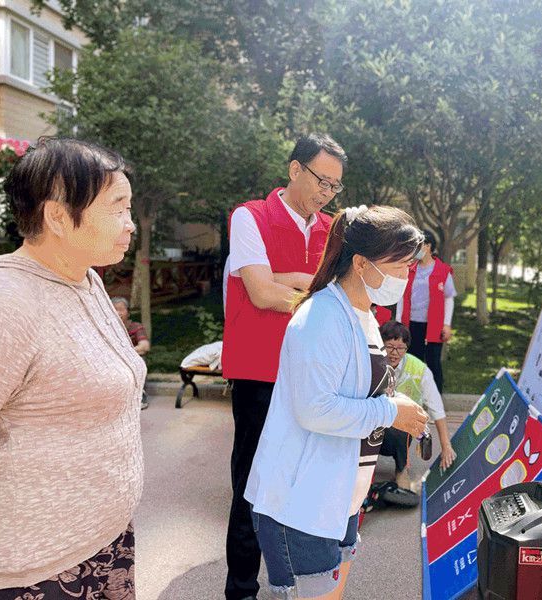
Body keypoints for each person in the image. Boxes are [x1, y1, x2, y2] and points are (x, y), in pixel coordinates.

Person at [0, 138, 145, 597]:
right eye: (117, 209)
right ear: (57, 216)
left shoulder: (85, 276)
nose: (129, 224)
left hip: (100, 542)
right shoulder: (3, 304)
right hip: (33, 570)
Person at [245, 205, 429, 600]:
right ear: (362, 264)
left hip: (339, 496)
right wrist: (392, 411)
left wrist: (392, 403)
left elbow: (356, 390)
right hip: (301, 504)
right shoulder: (322, 317)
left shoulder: (364, 316)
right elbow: (315, 408)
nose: (406, 276)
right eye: (399, 268)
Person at [221, 133, 344, 600]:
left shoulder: (333, 228)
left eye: (335, 186)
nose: (326, 193)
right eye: (321, 180)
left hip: (314, 376)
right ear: (295, 169)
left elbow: (340, 295)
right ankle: (241, 591)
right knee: (251, 488)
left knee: (304, 486)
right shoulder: (250, 217)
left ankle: (290, 584)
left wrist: (287, 280)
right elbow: (260, 293)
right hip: (260, 374)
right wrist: (304, 288)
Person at [379, 320, 457, 490]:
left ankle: (401, 471)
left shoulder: (420, 370)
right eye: (389, 347)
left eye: (400, 348)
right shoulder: (372, 361)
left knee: (404, 425)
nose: (394, 353)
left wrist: (446, 446)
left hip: (399, 429)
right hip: (372, 421)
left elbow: (437, 408)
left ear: (407, 348)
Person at [396, 230, 456, 392]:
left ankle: (436, 400)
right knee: (413, 361)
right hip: (411, 323)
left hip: (434, 325)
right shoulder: (410, 269)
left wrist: (447, 324)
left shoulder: (443, 271)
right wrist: (399, 323)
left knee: (433, 362)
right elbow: (402, 297)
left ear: (428, 246)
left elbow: (449, 298)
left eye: (418, 246)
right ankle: (414, 397)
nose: (415, 250)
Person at [112, 296, 150, 409]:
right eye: (114, 309)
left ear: (128, 312)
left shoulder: (136, 326)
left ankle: (140, 394)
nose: (118, 313)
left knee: (139, 361)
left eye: (121, 309)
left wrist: (125, 352)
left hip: (130, 358)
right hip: (112, 360)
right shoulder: (106, 327)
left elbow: (144, 346)